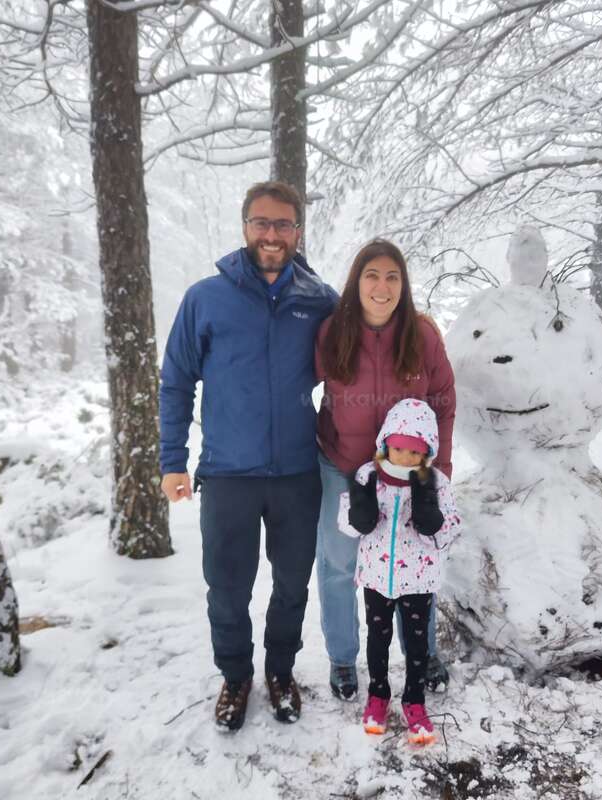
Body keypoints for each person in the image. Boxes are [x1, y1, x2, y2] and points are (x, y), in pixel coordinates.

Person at [159, 181, 337, 732]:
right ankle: (236, 676)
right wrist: (172, 460)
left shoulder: (320, 301)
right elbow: (176, 381)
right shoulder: (205, 299)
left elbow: (358, 370)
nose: (272, 234)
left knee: (290, 585)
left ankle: (280, 672)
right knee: (228, 586)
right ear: (244, 226)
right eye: (262, 222)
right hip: (228, 474)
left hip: (296, 474)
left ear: (297, 232)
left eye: (283, 224)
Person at [315, 239, 456, 701]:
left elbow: (444, 404)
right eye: (371, 275)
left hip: (409, 473)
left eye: (392, 277)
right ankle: (342, 659)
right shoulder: (332, 333)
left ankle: (425, 653)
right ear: (356, 282)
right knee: (339, 564)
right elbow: (298, 388)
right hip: (342, 465)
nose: (382, 286)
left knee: (416, 561)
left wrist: (438, 477)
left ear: (404, 285)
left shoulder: (423, 336)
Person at [338, 398, 461, 743]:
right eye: (398, 449)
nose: (404, 458)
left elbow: (451, 528)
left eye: (414, 452)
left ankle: (414, 700)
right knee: (378, 640)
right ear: (385, 443)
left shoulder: (435, 482)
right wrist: (357, 515)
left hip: (418, 581)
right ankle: (378, 695)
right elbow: (345, 523)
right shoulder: (368, 476)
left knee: (418, 643)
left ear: (426, 453)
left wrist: (433, 523)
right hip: (377, 578)